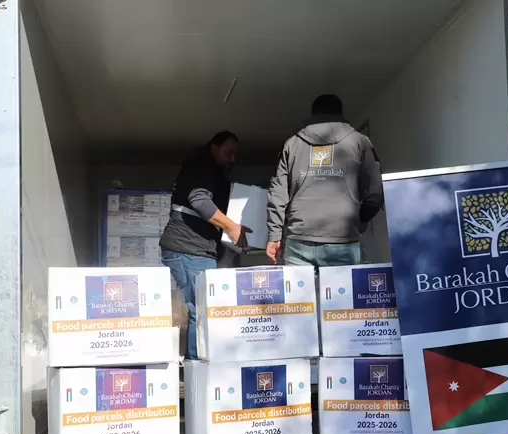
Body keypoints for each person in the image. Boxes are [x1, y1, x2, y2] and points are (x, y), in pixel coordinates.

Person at [266, 94, 384, 267]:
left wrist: (274, 236)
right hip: (343, 238)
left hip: (299, 239)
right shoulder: (360, 141)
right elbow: (376, 192)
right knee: (343, 286)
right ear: (340, 113)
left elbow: (277, 192)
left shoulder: (292, 144)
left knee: (300, 287)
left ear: (313, 115)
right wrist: (358, 220)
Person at [159, 131, 248, 360]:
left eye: (235, 155)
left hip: (196, 249)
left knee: (204, 308)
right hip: (188, 248)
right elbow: (199, 200)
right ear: (213, 147)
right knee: (201, 309)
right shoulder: (202, 166)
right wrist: (232, 227)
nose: (232, 159)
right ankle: (197, 366)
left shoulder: (208, 170)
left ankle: (200, 364)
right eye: (228, 152)